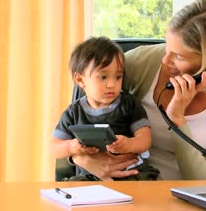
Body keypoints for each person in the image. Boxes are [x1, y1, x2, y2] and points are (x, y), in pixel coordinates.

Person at [70, 0, 206, 180]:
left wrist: (177, 120)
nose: (166, 61)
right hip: (124, 190)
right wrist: (82, 159)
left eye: (179, 57)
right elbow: (76, 117)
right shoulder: (142, 63)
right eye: (167, 47)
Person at [50, 36, 160, 181]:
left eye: (118, 77)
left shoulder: (129, 104)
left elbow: (145, 139)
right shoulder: (74, 112)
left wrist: (129, 144)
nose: (111, 84)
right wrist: (72, 146)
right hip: (90, 177)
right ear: (80, 80)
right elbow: (54, 147)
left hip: (130, 174)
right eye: (103, 77)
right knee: (72, 187)